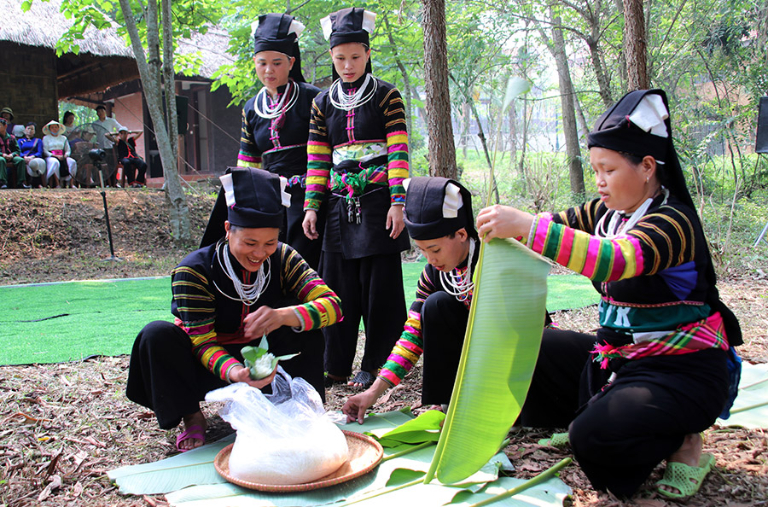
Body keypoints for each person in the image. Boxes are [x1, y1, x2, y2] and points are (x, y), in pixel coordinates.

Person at [476, 89, 742, 499]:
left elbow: (614, 260)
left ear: (648, 167)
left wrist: (527, 226)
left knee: (593, 437)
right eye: (596, 168)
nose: (599, 181)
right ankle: (599, 413)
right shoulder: (606, 213)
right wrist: (502, 228)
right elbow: (553, 227)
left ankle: (685, 444)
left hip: (683, 371)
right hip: (622, 360)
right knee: (535, 346)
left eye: (609, 169)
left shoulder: (673, 222)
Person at [126, 167, 342, 452]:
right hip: (208, 361)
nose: (259, 253)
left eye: (269, 242)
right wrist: (237, 373)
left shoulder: (284, 257)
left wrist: (282, 316)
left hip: (264, 358)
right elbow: (201, 342)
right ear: (228, 230)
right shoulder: (193, 271)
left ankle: (296, 405)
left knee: (305, 326)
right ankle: (192, 416)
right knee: (157, 335)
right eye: (249, 243)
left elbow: (333, 307)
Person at [302, 8, 410, 389]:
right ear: (331, 57)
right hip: (337, 205)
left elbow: (398, 152)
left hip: (380, 201)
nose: (347, 65)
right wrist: (312, 205)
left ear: (367, 53)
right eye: (339, 57)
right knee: (337, 286)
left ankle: (378, 363)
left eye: (355, 56)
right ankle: (335, 366)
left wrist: (399, 202)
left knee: (379, 288)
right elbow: (317, 158)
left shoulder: (387, 96)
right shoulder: (321, 104)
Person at [234, 13, 323, 270]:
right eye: (262, 63)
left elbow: (324, 153)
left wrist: (313, 203)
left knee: (306, 264)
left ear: (291, 61)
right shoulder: (251, 108)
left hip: (308, 196)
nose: (269, 70)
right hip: (270, 200)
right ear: (254, 62)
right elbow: (247, 161)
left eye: (277, 63)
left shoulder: (313, 98)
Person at [94, 104, 124, 186]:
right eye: (98, 112)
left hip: (110, 146)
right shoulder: (95, 124)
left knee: (112, 165)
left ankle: (114, 182)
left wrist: (115, 136)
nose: (100, 113)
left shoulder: (111, 121)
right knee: (103, 166)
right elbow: (93, 134)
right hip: (100, 147)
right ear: (97, 113)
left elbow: (120, 128)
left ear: (105, 112)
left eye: (102, 111)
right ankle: (105, 183)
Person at [42, 120, 77, 188]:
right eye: (52, 127)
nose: (54, 129)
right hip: (51, 156)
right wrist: (55, 156)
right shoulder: (46, 138)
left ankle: (71, 183)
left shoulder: (63, 138)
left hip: (63, 156)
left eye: (56, 127)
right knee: (55, 163)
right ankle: (58, 183)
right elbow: (45, 150)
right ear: (49, 129)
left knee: (72, 162)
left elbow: (68, 150)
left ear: (59, 128)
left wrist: (65, 155)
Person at [0, 117, 27, 189]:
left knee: (21, 160)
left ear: (5, 126)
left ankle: (21, 182)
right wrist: (2, 154)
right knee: (1, 160)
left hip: (11, 156)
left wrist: (12, 155)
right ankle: (3, 182)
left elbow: (17, 150)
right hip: (1, 156)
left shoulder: (11, 137)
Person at [17, 122, 46, 187]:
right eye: (28, 128)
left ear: (34, 131)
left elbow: (39, 152)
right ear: (25, 130)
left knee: (35, 163)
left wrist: (32, 157)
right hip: (24, 158)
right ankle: (25, 183)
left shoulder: (38, 141)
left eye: (32, 129)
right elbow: (18, 151)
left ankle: (36, 182)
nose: (30, 130)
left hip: (34, 157)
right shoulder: (20, 141)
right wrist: (24, 157)